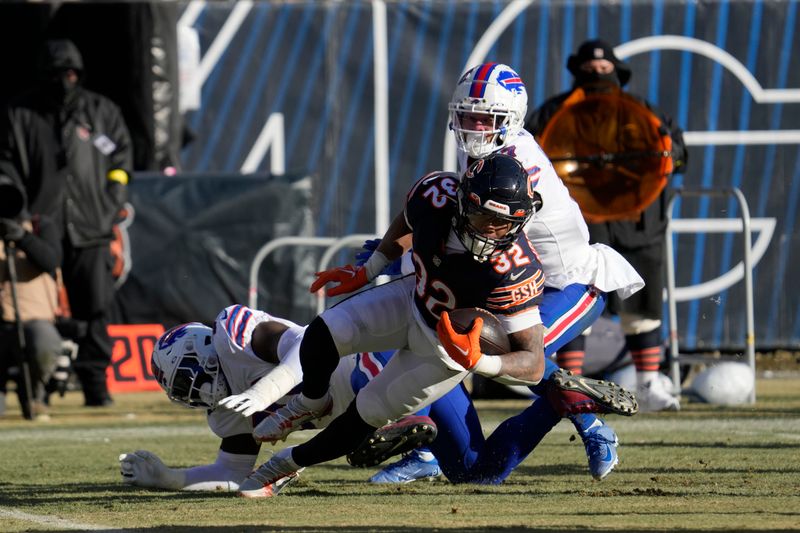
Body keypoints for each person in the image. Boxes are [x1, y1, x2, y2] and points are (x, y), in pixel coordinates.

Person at [235, 153, 637, 498]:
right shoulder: (436, 195)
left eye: (502, 225)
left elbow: (532, 362)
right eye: (482, 217)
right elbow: (407, 220)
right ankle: (310, 400)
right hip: (412, 300)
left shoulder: (514, 268)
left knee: (363, 416)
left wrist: (481, 362)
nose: (490, 232)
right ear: (463, 200)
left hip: (443, 351)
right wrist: (370, 269)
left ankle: (284, 464)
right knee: (324, 331)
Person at [369, 61, 645, 484]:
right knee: (444, 338)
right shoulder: (481, 149)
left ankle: (587, 419)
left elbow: (477, 241)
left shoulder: (518, 164)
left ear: (509, 120)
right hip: (513, 278)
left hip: (570, 282)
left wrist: (403, 258)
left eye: (484, 118)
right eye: (465, 115)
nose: (472, 126)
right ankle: (429, 449)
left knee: (498, 349)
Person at [525, 40, 688, 412]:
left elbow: (679, 156)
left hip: (639, 224)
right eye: (589, 70)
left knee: (643, 308)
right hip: (578, 227)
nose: (597, 75)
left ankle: (648, 384)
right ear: (575, 72)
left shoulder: (644, 112)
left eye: (604, 70)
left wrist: (666, 154)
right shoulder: (551, 114)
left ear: (617, 72)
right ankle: (570, 390)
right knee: (575, 302)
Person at [118, 304, 438, 493]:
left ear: (199, 350)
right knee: (473, 468)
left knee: (369, 381)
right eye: (179, 392)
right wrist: (171, 478)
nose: (191, 393)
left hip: (368, 362)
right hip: (350, 419)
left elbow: (305, 344)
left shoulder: (236, 339)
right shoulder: (224, 416)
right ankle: (418, 452)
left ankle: (409, 439)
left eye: (186, 379)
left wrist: (264, 391)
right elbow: (232, 473)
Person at [1, 39, 134, 407]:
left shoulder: (101, 112)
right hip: (40, 229)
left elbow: (121, 161)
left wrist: (110, 205)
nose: (66, 80)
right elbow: (7, 164)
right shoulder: (20, 113)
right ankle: (33, 388)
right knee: (29, 308)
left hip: (91, 229)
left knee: (95, 308)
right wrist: (17, 212)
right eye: (58, 74)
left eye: (72, 73)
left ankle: (95, 387)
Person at [0, 174, 64, 420]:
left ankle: (35, 393)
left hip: (32, 322)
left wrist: (22, 238)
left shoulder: (40, 226)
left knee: (43, 340)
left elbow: (51, 260)